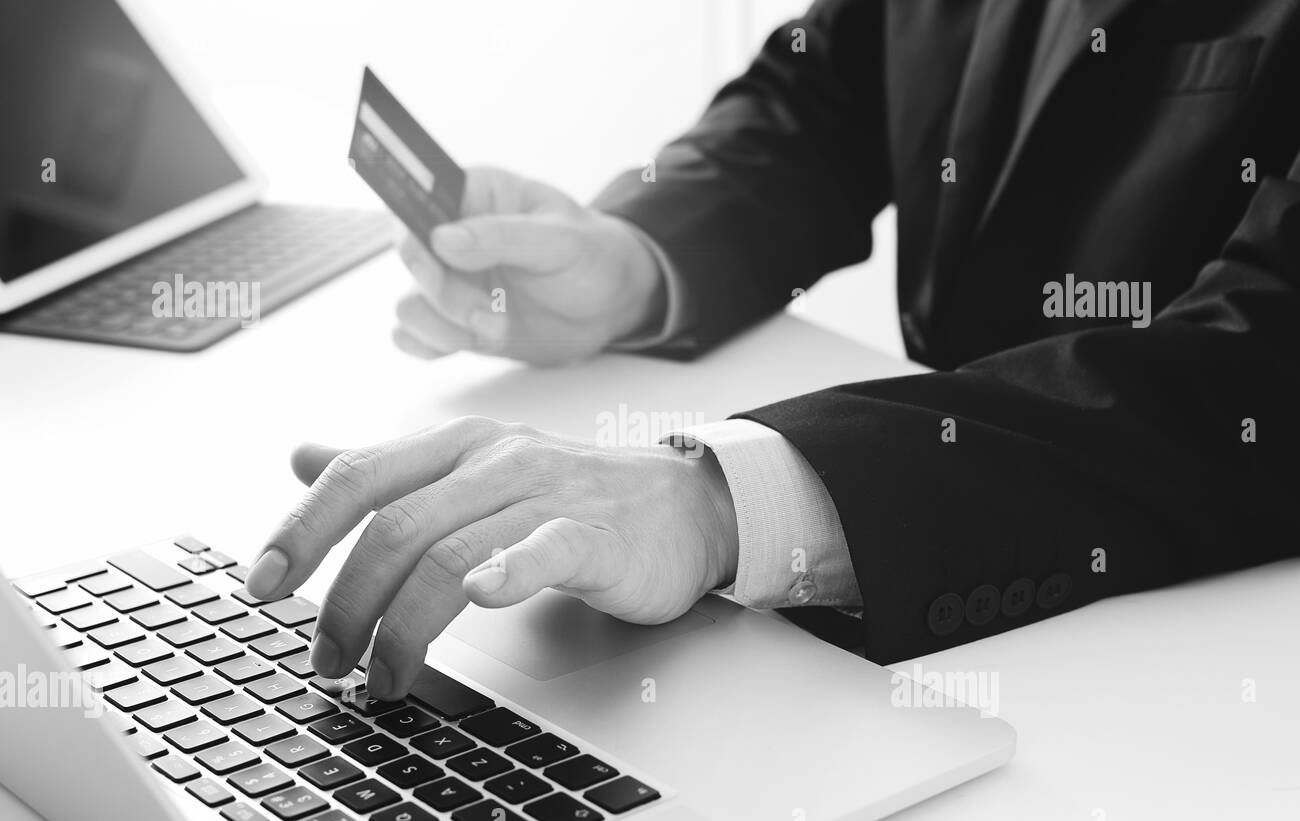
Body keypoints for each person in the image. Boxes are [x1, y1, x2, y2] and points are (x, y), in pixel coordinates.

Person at [245, 0, 1300, 700]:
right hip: (956, 632)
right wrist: (641, 260)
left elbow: (1262, 360)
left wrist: (722, 499)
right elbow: (821, 95)